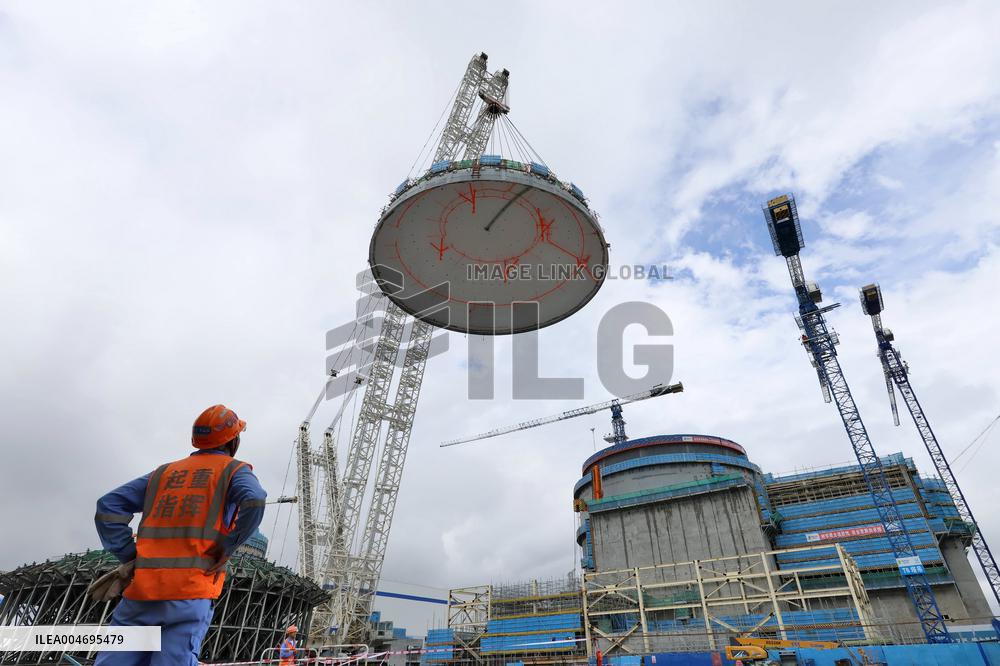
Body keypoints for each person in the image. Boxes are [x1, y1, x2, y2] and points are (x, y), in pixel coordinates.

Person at [93, 404, 267, 665]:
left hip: (141, 592)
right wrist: (229, 545)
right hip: (191, 591)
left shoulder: (163, 474)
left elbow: (108, 506)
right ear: (234, 440)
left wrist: (130, 555)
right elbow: (254, 500)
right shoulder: (233, 471)